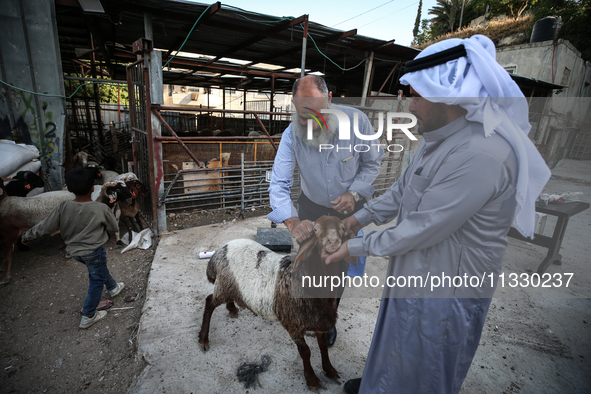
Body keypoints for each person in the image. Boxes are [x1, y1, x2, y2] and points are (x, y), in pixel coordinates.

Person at [324, 35, 551, 393]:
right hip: (418, 272)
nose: (410, 106)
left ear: (451, 95)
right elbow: (402, 191)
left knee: (426, 364)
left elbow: (421, 228)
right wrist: (355, 220)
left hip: (446, 290)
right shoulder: (441, 139)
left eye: (416, 96)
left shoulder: (480, 153)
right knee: (398, 344)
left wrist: (350, 248)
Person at [268, 75, 383, 346]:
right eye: (303, 116)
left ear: (330, 100)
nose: (310, 123)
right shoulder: (291, 134)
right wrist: (292, 220)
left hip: (347, 211)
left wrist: (355, 192)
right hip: (311, 209)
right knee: (308, 265)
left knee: (337, 267)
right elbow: (279, 182)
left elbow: (372, 163)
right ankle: (308, 311)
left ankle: (328, 317)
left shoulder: (358, 123)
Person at [22, 167, 125, 329]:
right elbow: (113, 227)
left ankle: (113, 287)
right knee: (96, 279)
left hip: (75, 252)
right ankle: (89, 315)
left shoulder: (63, 207)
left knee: (97, 269)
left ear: (69, 189)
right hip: (94, 251)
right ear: (93, 188)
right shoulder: (101, 208)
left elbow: (45, 226)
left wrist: (26, 236)